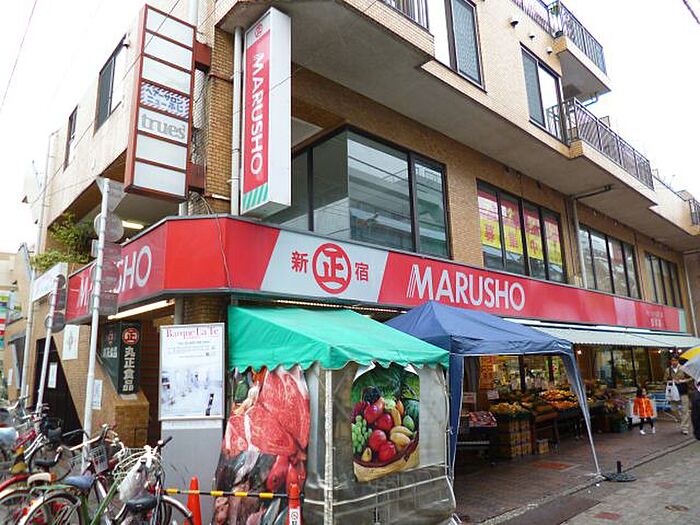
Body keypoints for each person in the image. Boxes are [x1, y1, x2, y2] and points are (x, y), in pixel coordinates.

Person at [668, 356, 693, 435]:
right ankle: (682, 419)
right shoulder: (668, 370)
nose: (674, 362)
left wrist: (683, 381)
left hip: (683, 391)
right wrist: (670, 381)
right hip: (673, 393)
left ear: (678, 361)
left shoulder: (684, 368)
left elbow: (691, 378)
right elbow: (664, 380)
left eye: (675, 360)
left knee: (685, 410)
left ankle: (684, 427)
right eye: (672, 360)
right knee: (673, 409)